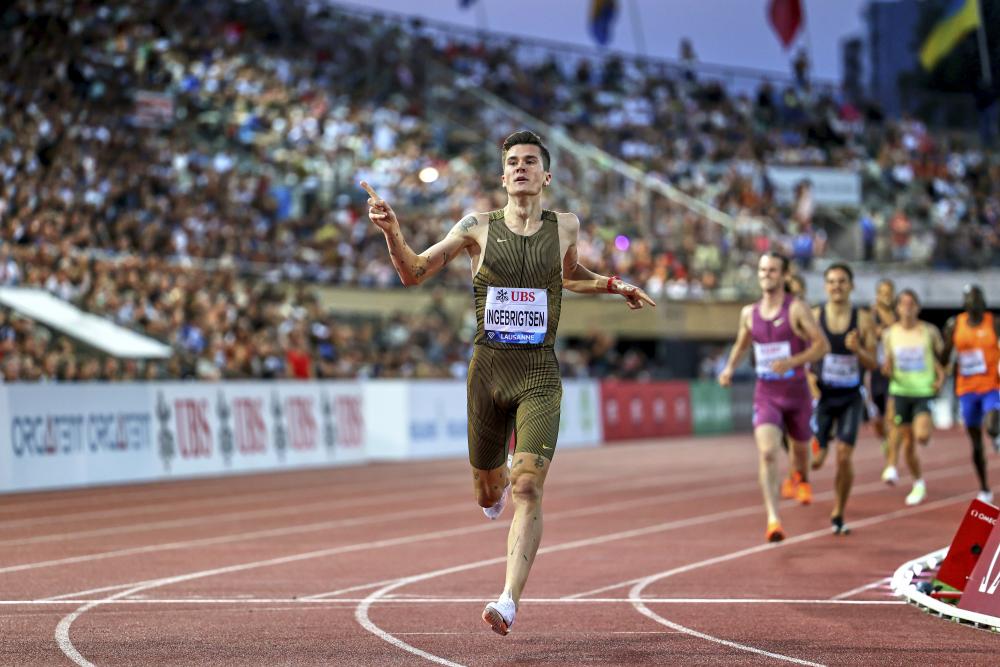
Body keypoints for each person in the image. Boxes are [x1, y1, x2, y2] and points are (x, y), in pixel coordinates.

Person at [363, 130, 654, 636]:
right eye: (512, 162)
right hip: (488, 372)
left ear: (546, 176)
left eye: (530, 162)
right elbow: (414, 272)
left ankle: (508, 600)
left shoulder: (565, 226)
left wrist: (612, 284)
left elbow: (568, 275)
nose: (520, 168)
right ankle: (490, 494)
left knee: (527, 486)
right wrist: (392, 232)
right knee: (487, 492)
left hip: (539, 372)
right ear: (502, 177)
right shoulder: (476, 226)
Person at [719, 252, 829, 542]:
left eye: (772, 270)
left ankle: (800, 477)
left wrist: (793, 362)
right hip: (766, 394)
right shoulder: (749, 313)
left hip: (797, 394)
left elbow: (821, 346)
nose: (767, 274)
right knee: (767, 453)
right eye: (763, 269)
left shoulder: (796, 309)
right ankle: (773, 519)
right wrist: (728, 368)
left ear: (783, 275)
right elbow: (742, 345)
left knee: (801, 453)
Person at [809, 264, 878, 534]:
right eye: (832, 281)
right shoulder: (815, 317)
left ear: (851, 285)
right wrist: (808, 382)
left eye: (842, 281)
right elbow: (803, 357)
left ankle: (838, 510)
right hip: (823, 396)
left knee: (844, 455)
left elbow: (873, 363)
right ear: (826, 286)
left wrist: (858, 349)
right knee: (815, 461)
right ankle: (814, 451)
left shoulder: (862, 320)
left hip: (850, 395)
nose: (836, 286)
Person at [881, 289, 945, 505]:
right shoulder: (890, 334)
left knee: (922, 437)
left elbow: (940, 359)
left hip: (923, 391)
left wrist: (941, 377)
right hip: (900, 391)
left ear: (918, 307)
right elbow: (887, 362)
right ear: (897, 308)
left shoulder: (929, 331)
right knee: (907, 442)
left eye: (911, 303)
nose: (907, 307)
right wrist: (887, 368)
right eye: (903, 303)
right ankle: (918, 483)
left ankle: (923, 430)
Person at [940, 285, 999, 504]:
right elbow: (944, 360)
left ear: (984, 301)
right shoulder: (956, 324)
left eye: (978, 297)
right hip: (966, 391)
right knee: (975, 444)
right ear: (964, 302)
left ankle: (997, 434)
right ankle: (984, 487)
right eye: (969, 298)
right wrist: (948, 338)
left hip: (991, 386)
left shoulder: (994, 322)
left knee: (992, 425)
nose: (973, 302)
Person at [868, 279, 897, 475]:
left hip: (893, 372)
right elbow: (868, 335)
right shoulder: (870, 314)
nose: (886, 296)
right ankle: (886, 441)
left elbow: (896, 330)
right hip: (873, 371)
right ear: (877, 294)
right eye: (883, 292)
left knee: (890, 417)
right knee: (876, 422)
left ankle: (891, 464)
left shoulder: (898, 314)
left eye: (889, 292)